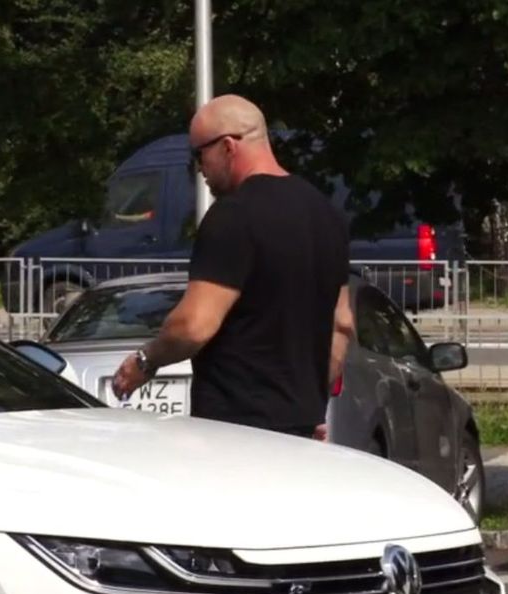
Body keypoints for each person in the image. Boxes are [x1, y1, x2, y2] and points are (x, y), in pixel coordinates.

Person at [111, 95, 355, 440]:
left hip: (235, 431)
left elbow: (193, 326)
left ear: (227, 147)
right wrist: (309, 406)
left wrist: (145, 361)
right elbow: (342, 324)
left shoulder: (233, 215)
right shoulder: (325, 215)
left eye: (199, 155)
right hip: (302, 429)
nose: (198, 169)